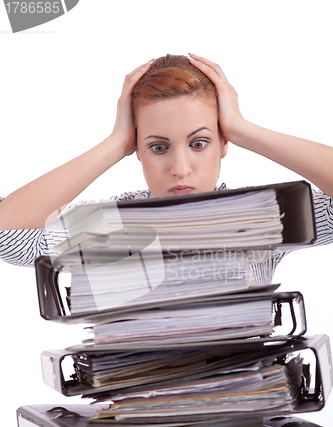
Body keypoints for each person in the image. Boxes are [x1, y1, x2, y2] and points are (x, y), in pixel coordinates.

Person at [0, 54, 332, 279]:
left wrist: (243, 129)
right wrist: (115, 144)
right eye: (158, 147)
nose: (180, 168)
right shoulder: (110, 225)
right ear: (138, 150)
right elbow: (9, 236)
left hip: (247, 382)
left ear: (223, 143)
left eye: (199, 143)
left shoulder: (260, 218)